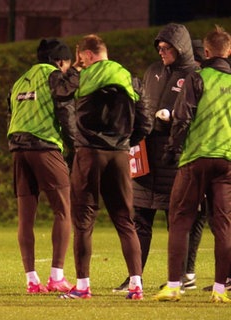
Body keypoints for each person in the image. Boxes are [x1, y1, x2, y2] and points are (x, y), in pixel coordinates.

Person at [113, 23, 205, 293]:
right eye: (160, 47)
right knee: (140, 219)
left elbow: (196, 117)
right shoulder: (153, 71)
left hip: (174, 159)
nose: (162, 52)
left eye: (167, 48)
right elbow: (142, 105)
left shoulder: (195, 75)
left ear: (181, 48)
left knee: (178, 220)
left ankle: (178, 279)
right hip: (146, 157)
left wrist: (172, 119)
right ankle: (135, 278)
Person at [60, 34, 152, 300]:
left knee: (84, 221)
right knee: (125, 220)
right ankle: (136, 285)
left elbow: (61, 91)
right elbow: (145, 121)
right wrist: (125, 142)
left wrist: (76, 68)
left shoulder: (84, 75)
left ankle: (83, 286)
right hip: (120, 155)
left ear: (87, 55)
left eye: (81, 58)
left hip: (90, 153)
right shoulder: (128, 76)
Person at [153, 25, 231, 303]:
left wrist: (173, 149)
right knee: (223, 225)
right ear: (229, 51)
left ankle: (174, 285)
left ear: (206, 51)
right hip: (226, 161)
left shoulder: (197, 78)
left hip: (195, 159)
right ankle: (221, 290)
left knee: (180, 219)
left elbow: (183, 117)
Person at [7, 38, 77, 294]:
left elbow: (10, 110)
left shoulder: (19, 81)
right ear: (59, 61)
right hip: (45, 146)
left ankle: (31, 280)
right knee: (63, 210)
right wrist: (74, 147)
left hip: (17, 148)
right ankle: (57, 276)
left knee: (26, 217)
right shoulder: (55, 76)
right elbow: (66, 114)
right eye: (67, 63)